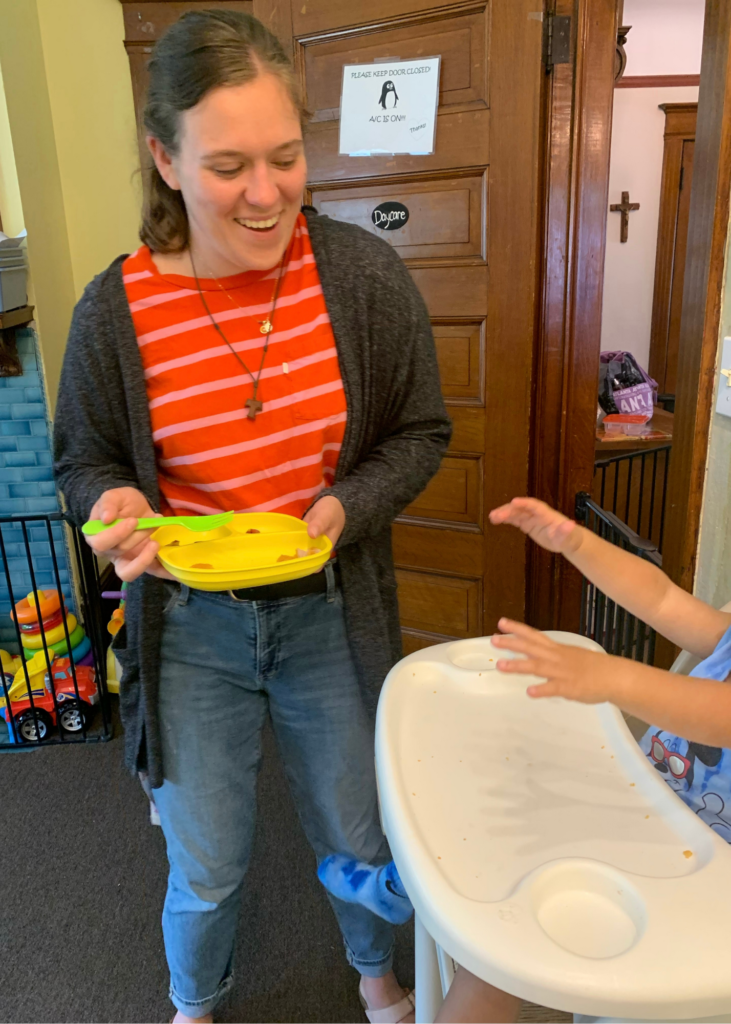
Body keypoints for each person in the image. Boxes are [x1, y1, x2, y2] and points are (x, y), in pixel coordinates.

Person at [53, 11, 451, 1023]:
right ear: (164, 156)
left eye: (285, 156)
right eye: (228, 164)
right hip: (188, 629)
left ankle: (376, 975)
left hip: (326, 606)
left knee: (357, 835)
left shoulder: (359, 279)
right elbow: (84, 456)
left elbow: (419, 431)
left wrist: (343, 505)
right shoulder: (115, 309)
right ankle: (194, 1002)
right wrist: (110, 502)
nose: (266, 193)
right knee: (209, 858)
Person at [319, 496, 731, 1022]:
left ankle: (406, 888)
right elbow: (663, 598)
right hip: (649, 813)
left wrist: (610, 679)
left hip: (703, 888)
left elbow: (716, 712)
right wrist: (579, 545)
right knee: (505, 823)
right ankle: (406, 884)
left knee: (510, 935)